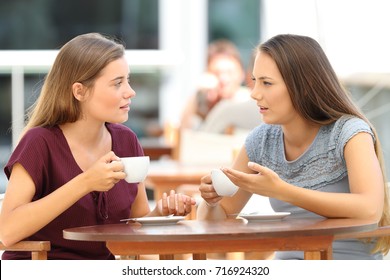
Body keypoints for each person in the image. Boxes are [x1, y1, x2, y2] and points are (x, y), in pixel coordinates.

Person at [0, 33, 195, 260]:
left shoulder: (127, 141)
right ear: (79, 91)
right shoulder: (39, 143)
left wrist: (161, 214)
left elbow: (136, 226)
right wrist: (86, 183)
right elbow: (7, 232)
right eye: (117, 83)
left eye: (128, 80)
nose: (130, 92)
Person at [197, 34, 390, 260]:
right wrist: (212, 203)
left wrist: (281, 190)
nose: (254, 93)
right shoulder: (262, 140)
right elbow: (218, 221)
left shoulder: (349, 133)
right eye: (254, 80)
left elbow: (370, 208)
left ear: (305, 86)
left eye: (267, 83)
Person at [180, 39, 259, 133]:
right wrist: (196, 95)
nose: (223, 79)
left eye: (229, 72)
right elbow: (183, 134)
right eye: (217, 73)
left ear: (242, 73)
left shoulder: (249, 101)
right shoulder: (203, 104)